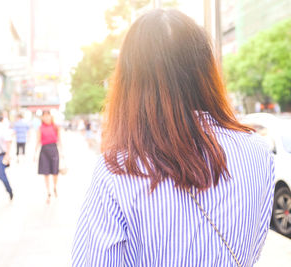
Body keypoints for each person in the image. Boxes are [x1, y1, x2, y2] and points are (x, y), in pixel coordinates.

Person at [72, 9, 275, 267]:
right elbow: (252, 248)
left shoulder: (117, 171)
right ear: (205, 71)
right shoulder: (257, 152)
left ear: (130, 82)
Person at [35, 111, 61, 204]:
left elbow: (59, 140)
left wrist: (62, 153)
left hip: (54, 149)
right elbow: (38, 140)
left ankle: (54, 186)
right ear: (42, 118)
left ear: (50, 116)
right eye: (44, 116)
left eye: (47, 116)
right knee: (45, 172)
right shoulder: (40, 128)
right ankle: (48, 191)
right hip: (44, 150)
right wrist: (35, 153)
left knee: (55, 171)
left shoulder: (55, 127)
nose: (46, 118)